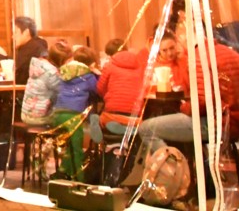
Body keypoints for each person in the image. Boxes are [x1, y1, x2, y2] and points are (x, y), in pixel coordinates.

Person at [137, 23, 239, 154]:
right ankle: (198, 163)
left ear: (185, 36)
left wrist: (184, 107)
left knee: (146, 129)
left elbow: (202, 103)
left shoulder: (199, 58)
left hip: (219, 123)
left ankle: (174, 164)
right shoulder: (230, 53)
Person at [53, 46, 101, 180]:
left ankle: (62, 172)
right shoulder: (88, 76)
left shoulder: (63, 72)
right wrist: (97, 74)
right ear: (92, 64)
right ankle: (80, 179)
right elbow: (98, 91)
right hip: (73, 115)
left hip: (57, 114)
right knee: (76, 149)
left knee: (70, 146)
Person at [98, 43, 148, 135]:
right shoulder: (140, 65)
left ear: (110, 55)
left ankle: (117, 128)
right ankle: (132, 130)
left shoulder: (109, 65)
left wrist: (109, 94)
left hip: (113, 114)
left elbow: (100, 89)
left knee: (100, 118)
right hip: (135, 115)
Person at [21, 41, 70, 125]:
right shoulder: (52, 73)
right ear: (61, 61)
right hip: (39, 117)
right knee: (69, 116)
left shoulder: (39, 67)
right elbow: (63, 90)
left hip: (26, 114)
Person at [12, 16, 49, 85]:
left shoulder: (32, 49)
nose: (13, 36)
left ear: (26, 32)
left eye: (15, 32)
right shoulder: (35, 46)